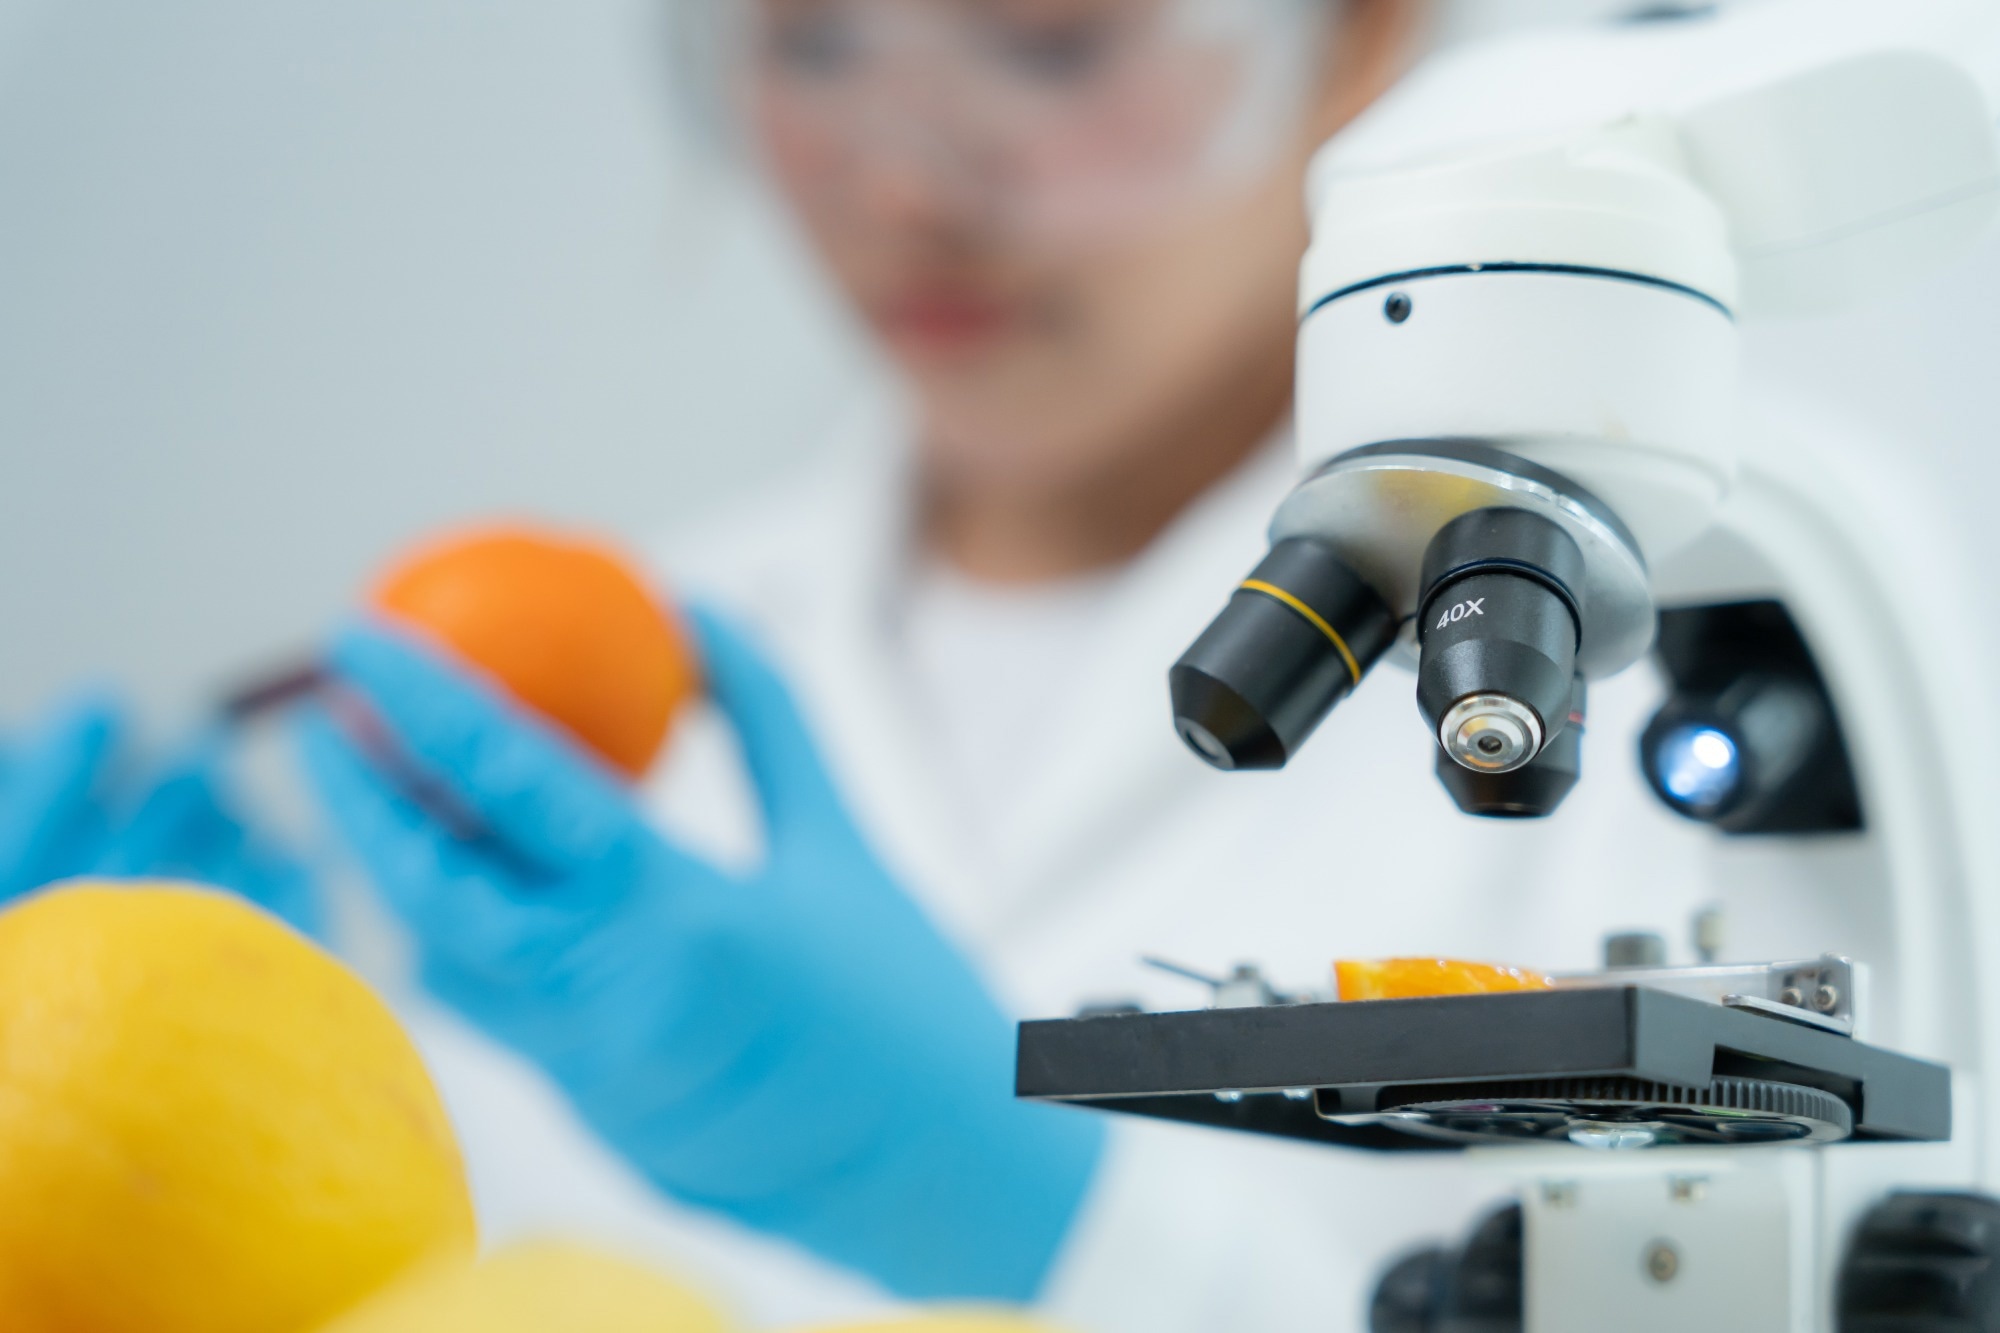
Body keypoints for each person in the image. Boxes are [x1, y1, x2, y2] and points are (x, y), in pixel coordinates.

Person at [0, 0, 1889, 1328]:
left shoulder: (1707, 643)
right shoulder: (622, 663)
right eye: (815, 35)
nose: (904, 187)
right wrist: (297, 1049)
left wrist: (1066, 1229)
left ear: (1359, 31)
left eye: (1055, 38)